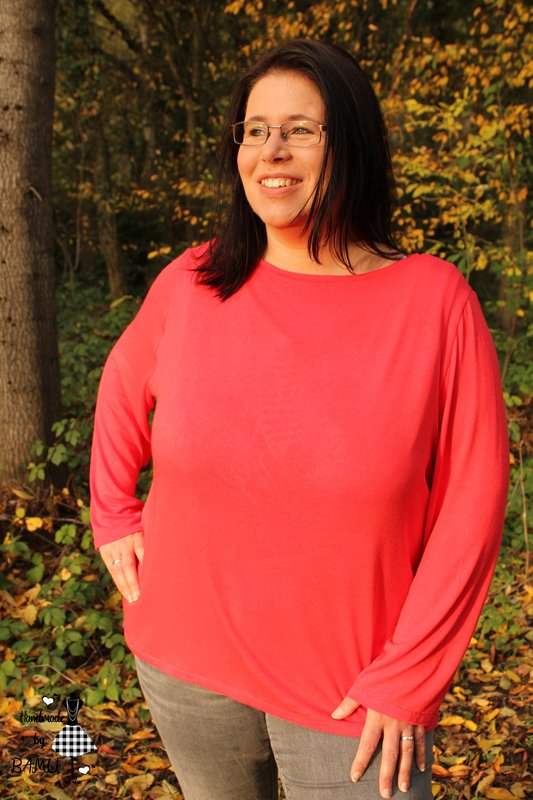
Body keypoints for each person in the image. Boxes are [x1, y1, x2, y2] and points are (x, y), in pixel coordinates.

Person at [90, 39, 509, 800]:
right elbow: (121, 385)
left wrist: (410, 676)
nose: (271, 152)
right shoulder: (193, 281)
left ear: (349, 142)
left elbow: (471, 506)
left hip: (354, 695)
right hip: (184, 661)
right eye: (255, 130)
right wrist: (112, 512)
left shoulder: (433, 303)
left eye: (300, 130)